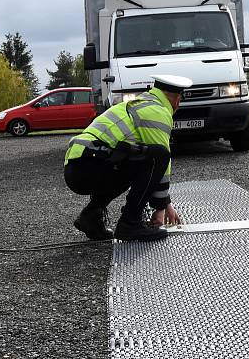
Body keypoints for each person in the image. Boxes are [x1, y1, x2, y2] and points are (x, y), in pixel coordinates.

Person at [63, 75, 191, 241]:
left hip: (77, 166)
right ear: (177, 99)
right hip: (91, 165)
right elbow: (161, 162)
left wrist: (165, 203)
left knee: (131, 165)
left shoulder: (138, 104)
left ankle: (91, 217)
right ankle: (130, 223)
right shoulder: (157, 111)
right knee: (159, 155)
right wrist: (161, 209)